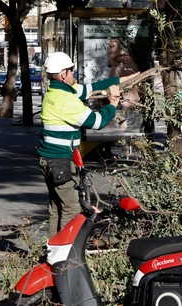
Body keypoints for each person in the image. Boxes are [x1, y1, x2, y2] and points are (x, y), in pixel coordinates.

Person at [38, 51, 139, 237]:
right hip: (60, 160)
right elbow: (97, 122)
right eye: (71, 71)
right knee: (71, 209)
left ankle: (51, 253)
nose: (73, 74)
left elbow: (90, 88)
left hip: (50, 160)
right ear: (63, 74)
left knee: (56, 207)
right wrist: (112, 103)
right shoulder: (66, 101)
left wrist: (130, 78)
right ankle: (67, 257)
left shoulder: (56, 91)